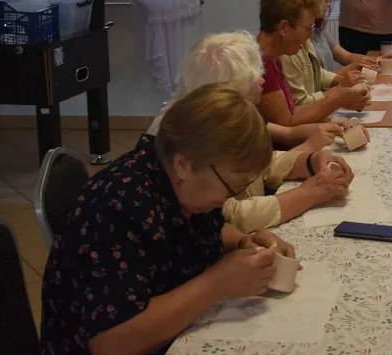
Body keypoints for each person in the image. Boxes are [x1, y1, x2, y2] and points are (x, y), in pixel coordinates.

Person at [40, 84, 293, 355]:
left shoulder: (179, 184)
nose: (237, 196)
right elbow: (112, 346)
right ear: (183, 164)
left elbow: (200, 230)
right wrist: (218, 282)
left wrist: (242, 242)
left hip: (169, 350)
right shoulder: (117, 208)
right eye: (233, 186)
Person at [152, 31, 357, 232]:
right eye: (254, 78)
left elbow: (258, 163)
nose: (261, 82)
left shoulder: (219, 113)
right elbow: (231, 215)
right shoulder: (188, 131)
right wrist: (311, 192)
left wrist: (311, 161)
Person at [256, 0, 370, 126]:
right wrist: (337, 99)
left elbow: (292, 112)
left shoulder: (274, 57)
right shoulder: (262, 64)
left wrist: (333, 120)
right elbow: (287, 122)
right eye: (308, 29)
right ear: (284, 28)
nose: (310, 36)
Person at [280, 0, 373, 106]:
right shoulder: (289, 43)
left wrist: (343, 81)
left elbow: (318, 75)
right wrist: (339, 92)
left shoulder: (309, 33)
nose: (326, 3)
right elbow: (299, 104)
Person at [284, 0, 380, 74]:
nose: (328, 4)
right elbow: (317, 83)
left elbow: (347, 57)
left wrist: (378, 61)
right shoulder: (294, 38)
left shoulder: (318, 29)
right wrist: (354, 67)